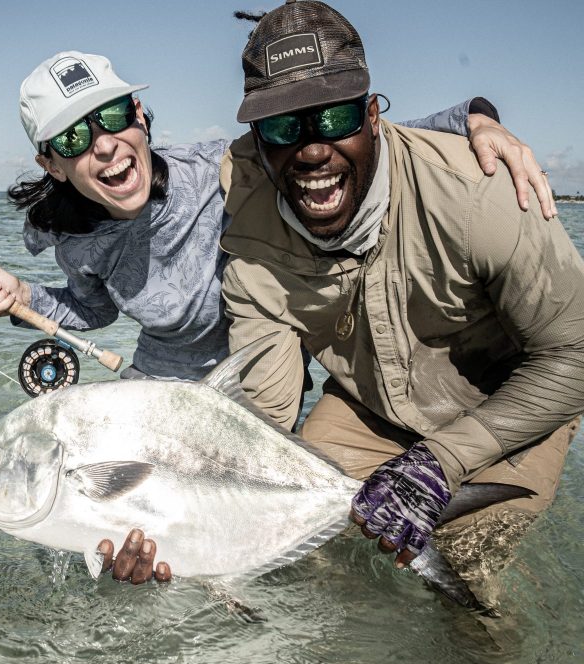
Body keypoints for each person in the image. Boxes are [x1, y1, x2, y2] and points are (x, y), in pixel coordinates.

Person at [111, 0, 584, 605]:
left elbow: (574, 353)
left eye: (334, 117)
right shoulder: (250, 238)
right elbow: (265, 415)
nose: (310, 151)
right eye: (283, 127)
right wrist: (172, 515)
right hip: (367, 410)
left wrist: (440, 463)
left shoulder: (481, 193)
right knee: (315, 568)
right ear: (257, 140)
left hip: (507, 403)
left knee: (470, 574)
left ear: (373, 115)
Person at [0, 50, 553, 383]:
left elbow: (351, 142)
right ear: (52, 164)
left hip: (260, 377)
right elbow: (93, 309)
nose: (104, 145)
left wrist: (474, 119)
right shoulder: (73, 237)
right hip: (156, 383)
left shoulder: (223, 168)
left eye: (111, 118)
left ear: (139, 115)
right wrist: (23, 296)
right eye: (74, 138)